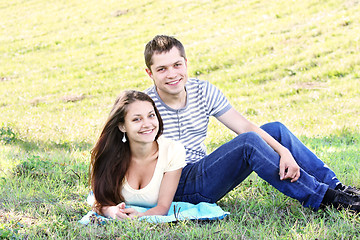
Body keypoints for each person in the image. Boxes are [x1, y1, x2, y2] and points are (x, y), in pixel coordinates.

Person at [143, 35, 360, 213]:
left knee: (275, 130)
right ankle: (326, 199)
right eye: (162, 69)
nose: (172, 74)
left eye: (177, 65)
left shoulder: (203, 90)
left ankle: (338, 188)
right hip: (175, 186)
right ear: (149, 73)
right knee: (248, 143)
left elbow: (245, 126)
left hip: (203, 171)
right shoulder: (144, 106)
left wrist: (284, 151)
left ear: (186, 63)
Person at [89, 90, 186, 219]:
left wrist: (140, 215)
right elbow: (98, 200)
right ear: (122, 126)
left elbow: (163, 208)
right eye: (137, 119)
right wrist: (111, 211)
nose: (147, 124)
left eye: (151, 115)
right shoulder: (108, 155)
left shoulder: (173, 151)